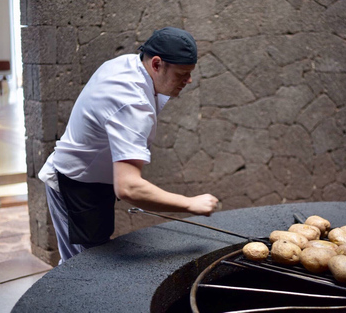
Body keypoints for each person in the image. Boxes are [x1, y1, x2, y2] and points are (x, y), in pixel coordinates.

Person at [38, 27, 220, 264]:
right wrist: (190, 204)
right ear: (156, 64)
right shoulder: (131, 102)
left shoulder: (128, 63)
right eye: (182, 74)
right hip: (75, 185)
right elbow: (129, 188)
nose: (189, 80)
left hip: (93, 180)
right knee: (84, 271)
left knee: (86, 265)